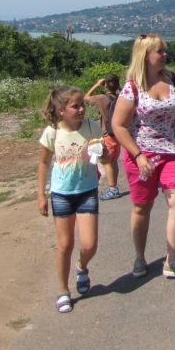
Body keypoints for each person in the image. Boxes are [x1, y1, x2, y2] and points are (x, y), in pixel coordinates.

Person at [111, 34, 175, 280]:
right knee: (142, 207)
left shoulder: (174, 80)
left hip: (172, 152)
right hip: (142, 155)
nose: (165, 54)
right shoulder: (132, 88)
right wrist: (137, 155)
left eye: (165, 50)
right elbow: (118, 126)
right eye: (160, 51)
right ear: (146, 55)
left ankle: (172, 261)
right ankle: (140, 256)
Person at [37, 86, 107, 313]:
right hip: (61, 194)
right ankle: (63, 290)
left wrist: (102, 151)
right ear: (61, 110)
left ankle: (82, 267)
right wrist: (41, 194)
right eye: (75, 106)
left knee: (89, 244)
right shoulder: (52, 133)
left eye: (82, 104)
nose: (81, 109)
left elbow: (105, 156)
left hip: (87, 190)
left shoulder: (92, 127)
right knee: (65, 244)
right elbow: (43, 164)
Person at [85, 74, 123, 200]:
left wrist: (96, 85)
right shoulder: (121, 97)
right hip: (119, 134)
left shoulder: (101, 98)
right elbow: (130, 98)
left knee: (107, 161)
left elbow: (86, 97)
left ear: (105, 85)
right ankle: (114, 186)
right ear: (117, 86)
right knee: (114, 161)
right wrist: (120, 88)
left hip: (107, 134)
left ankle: (113, 189)